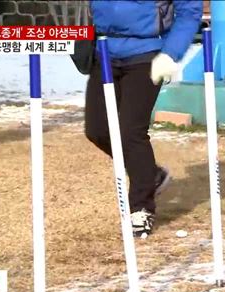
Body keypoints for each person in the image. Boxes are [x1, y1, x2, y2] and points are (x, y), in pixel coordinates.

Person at [85, 0, 203, 238]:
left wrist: (171, 54)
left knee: (131, 132)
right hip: (104, 49)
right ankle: (150, 175)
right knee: (97, 130)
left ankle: (141, 208)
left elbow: (189, 11)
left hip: (147, 54)